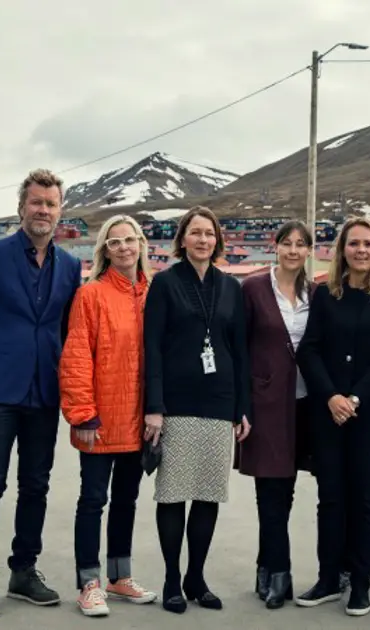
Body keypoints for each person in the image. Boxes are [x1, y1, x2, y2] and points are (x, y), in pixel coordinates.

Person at [0, 168, 83, 617]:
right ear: (21, 207)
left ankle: (24, 571)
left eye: (51, 204)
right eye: (36, 202)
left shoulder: (70, 266)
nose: (43, 210)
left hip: (45, 391)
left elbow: (67, 328)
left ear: (60, 211)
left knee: (36, 485)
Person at [142, 206, 252, 615]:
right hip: (176, 404)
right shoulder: (165, 283)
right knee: (173, 495)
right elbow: (152, 347)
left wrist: (242, 407)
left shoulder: (231, 288)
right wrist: (154, 407)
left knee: (208, 495)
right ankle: (172, 578)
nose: (203, 240)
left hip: (219, 404)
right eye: (195, 233)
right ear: (183, 239)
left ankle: (196, 577)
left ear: (217, 240)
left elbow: (240, 351)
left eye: (209, 234)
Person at [294, 216, 370, 617]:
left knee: (365, 498)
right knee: (331, 497)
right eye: (354, 243)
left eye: (368, 244)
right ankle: (329, 578)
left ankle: (360, 583)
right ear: (342, 249)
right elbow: (309, 349)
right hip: (329, 413)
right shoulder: (326, 294)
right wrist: (331, 396)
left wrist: (355, 397)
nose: (361, 250)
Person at [59, 214, 157, 617]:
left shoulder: (153, 293)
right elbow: (76, 357)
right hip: (99, 421)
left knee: (127, 500)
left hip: (139, 419)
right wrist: (82, 414)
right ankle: (89, 583)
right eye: (114, 242)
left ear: (141, 245)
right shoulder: (91, 295)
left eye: (129, 239)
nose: (123, 247)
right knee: (93, 500)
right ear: (104, 250)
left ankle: (120, 577)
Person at [235, 220, 315, 610]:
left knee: (287, 489)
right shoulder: (252, 288)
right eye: (287, 243)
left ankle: (265, 567)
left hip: (305, 404)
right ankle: (280, 575)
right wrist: (241, 406)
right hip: (265, 403)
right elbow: (239, 348)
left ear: (309, 251)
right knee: (270, 489)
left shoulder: (315, 293)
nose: (294, 250)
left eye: (301, 244)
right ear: (276, 246)